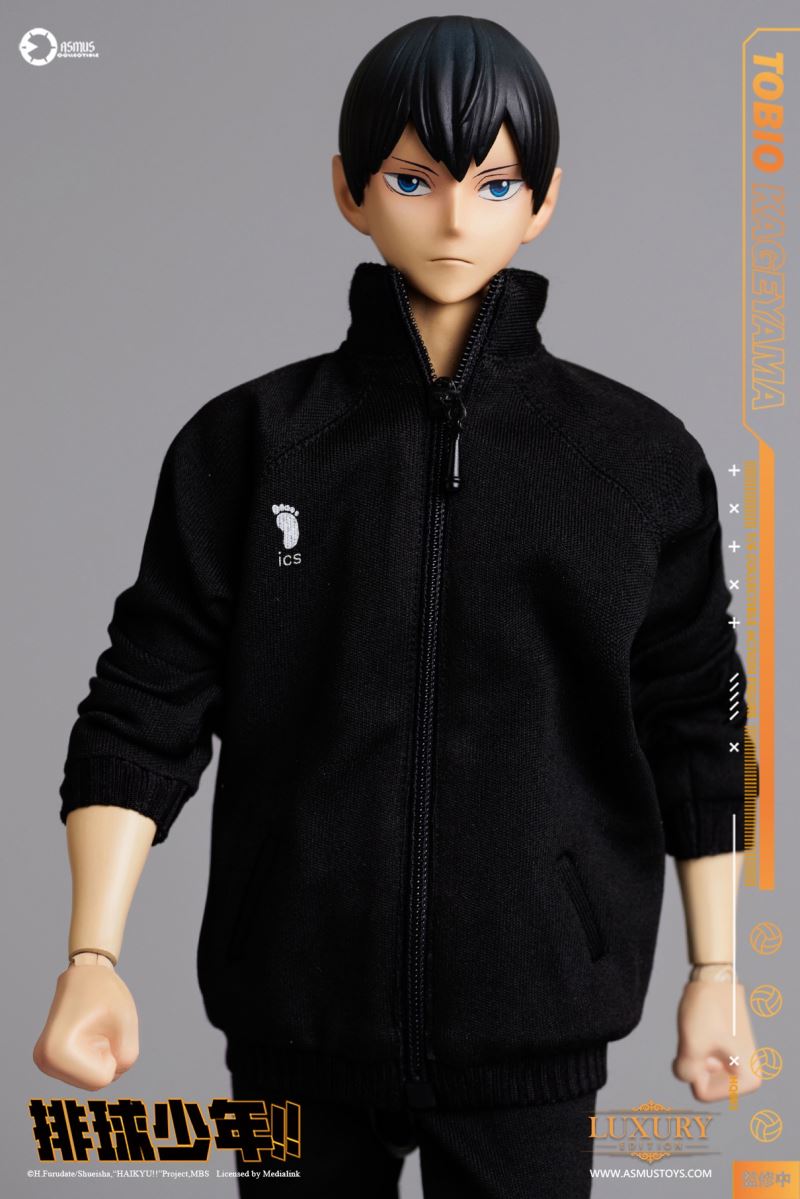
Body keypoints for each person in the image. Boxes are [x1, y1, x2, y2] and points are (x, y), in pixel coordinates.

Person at [34, 16, 761, 1197]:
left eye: (495, 182)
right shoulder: (249, 445)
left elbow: (698, 718)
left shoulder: (633, 459)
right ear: (349, 191)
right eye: (414, 179)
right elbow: (145, 697)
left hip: (533, 1020)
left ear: (544, 199)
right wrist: (91, 952)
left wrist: (714, 968)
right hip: (291, 1015)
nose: (455, 218)